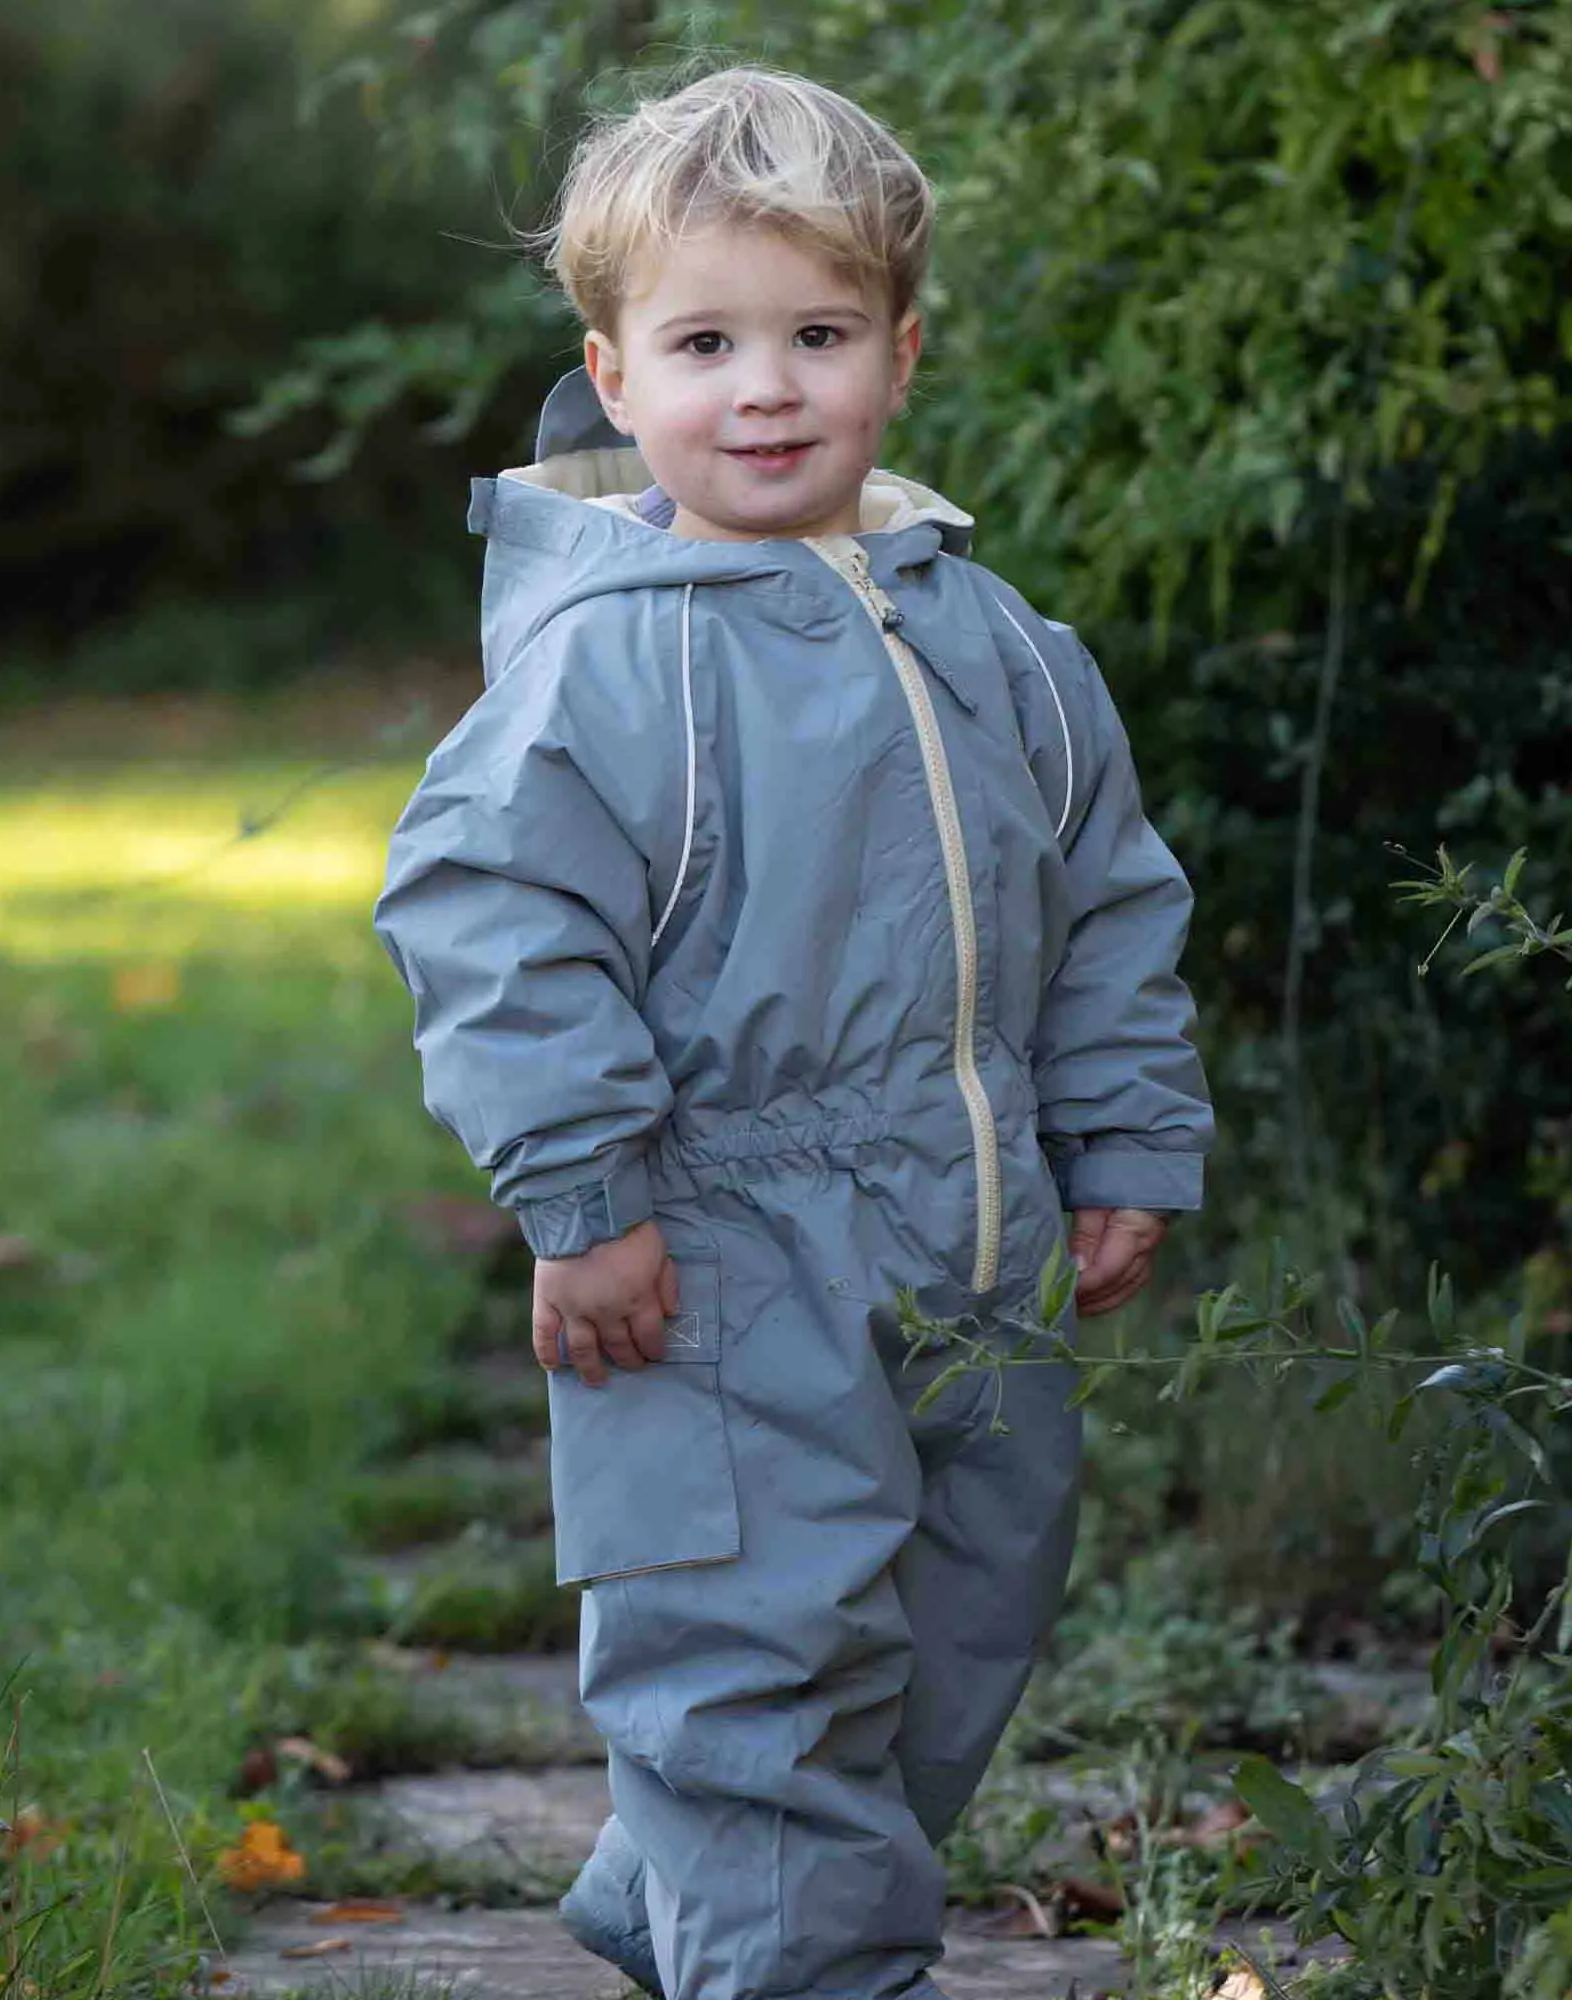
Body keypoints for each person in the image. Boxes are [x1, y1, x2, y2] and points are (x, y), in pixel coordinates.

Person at [374, 63, 1214, 2000]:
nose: (765, 389)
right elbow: (493, 920)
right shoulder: (612, 655)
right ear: (613, 375)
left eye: (818, 335)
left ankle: (691, 1891)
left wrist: (1121, 1142)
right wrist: (585, 1194)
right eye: (706, 344)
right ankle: (789, 1955)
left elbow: (1107, 901)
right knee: (754, 1648)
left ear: (900, 355)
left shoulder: (999, 646)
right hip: (719, 1250)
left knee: (958, 1628)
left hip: (978, 1225)